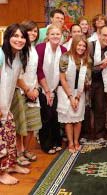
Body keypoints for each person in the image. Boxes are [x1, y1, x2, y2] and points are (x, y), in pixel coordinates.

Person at [0, 23, 30, 185]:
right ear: (7, 37)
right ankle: (1, 173)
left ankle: (10, 166)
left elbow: (16, 79)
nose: (19, 40)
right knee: (1, 141)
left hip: (6, 105)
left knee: (10, 136)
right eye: (15, 36)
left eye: (22, 37)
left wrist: (28, 89)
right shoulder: (0, 54)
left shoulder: (19, 56)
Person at [10, 21, 42, 166]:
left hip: (32, 90)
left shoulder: (33, 49)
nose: (33, 34)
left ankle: (27, 150)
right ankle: (19, 152)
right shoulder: (20, 49)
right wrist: (28, 90)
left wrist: (35, 88)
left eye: (35, 31)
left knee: (32, 124)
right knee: (20, 124)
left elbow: (34, 72)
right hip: (20, 91)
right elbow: (17, 75)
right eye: (30, 31)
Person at [36, 25, 67, 154]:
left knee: (55, 115)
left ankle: (56, 141)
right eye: (53, 34)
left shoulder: (64, 50)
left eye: (58, 34)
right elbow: (38, 70)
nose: (55, 36)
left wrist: (54, 90)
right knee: (46, 115)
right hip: (42, 86)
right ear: (48, 36)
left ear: (61, 36)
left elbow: (63, 70)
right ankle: (46, 145)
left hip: (56, 87)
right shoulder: (40, 48)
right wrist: (47, 91)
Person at [57, 35, 91, 153]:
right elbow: (62, 78)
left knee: (78, 119)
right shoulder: (65, 57)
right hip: (66, 91)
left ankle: (76, 141)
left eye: (83, 46)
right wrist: (71, 97)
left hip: (79, 92)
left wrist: (77, 96)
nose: (81, 48)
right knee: (69, 119)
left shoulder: (86, 59)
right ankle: (70, 142)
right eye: (79, 45)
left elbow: (87, 80)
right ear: (74, 44)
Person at [89, 26, 107, 142]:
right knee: (86, 108)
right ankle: (86, 135)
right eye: (105, 35)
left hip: (101, 81)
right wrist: (101, 66)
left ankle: (100, 135)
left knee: (100, 108)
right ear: (99, 35)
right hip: (87, 81)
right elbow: (86, 67)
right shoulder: (90, 46)